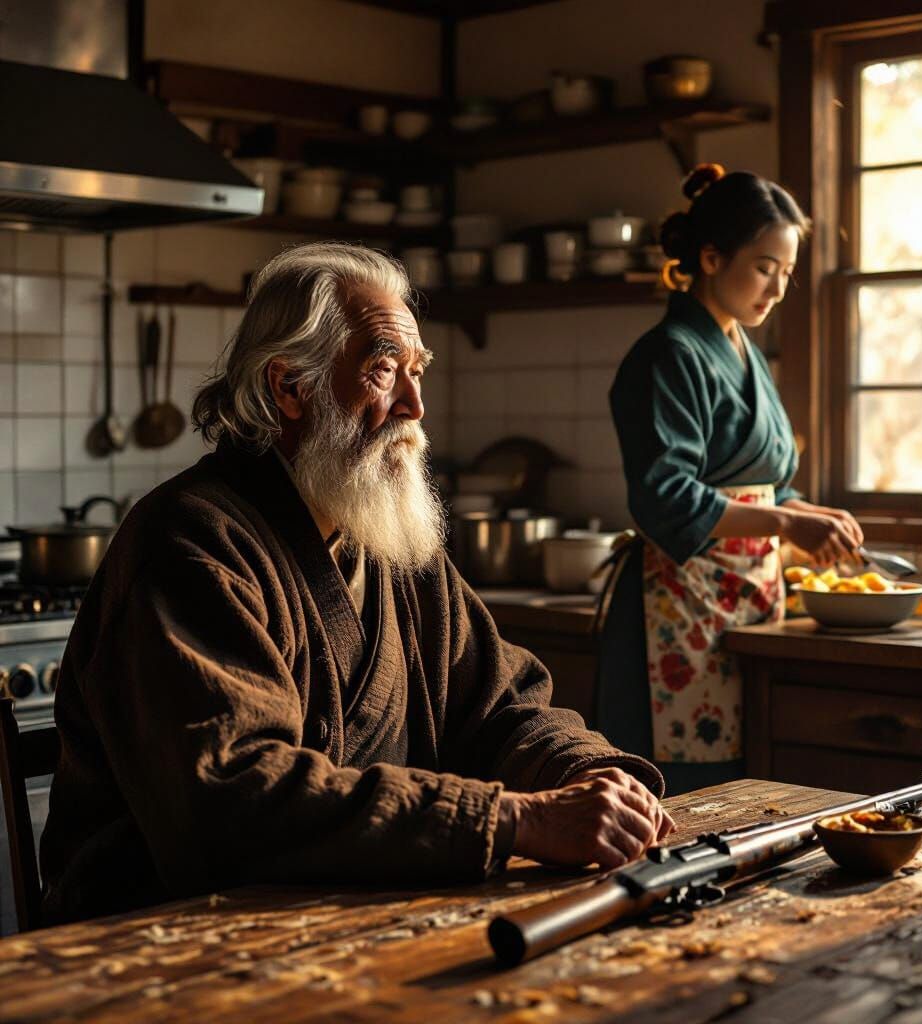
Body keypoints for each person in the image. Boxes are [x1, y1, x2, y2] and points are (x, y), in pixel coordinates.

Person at [40, 242, 673, 925]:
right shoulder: (190, 543)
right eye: (382, 371)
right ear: (290, 388)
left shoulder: (387, 539)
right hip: (158, 941)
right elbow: (234, 798)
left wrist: (584, 775)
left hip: (344, 917)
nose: (415, 406)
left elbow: (500, 708)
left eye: (417, 372)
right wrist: (517, 821)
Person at [596, 164, 863, 796]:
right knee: (682, 799)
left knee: (747, 792)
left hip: (741, 609)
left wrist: (812, 516)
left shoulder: (742, 348)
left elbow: (767, 485)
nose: (777, 289)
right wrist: (785, 521)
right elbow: (666, 496)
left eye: (788, 273)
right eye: (765, 267)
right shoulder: (668, 354)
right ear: (711, 257)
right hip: (676, 608)